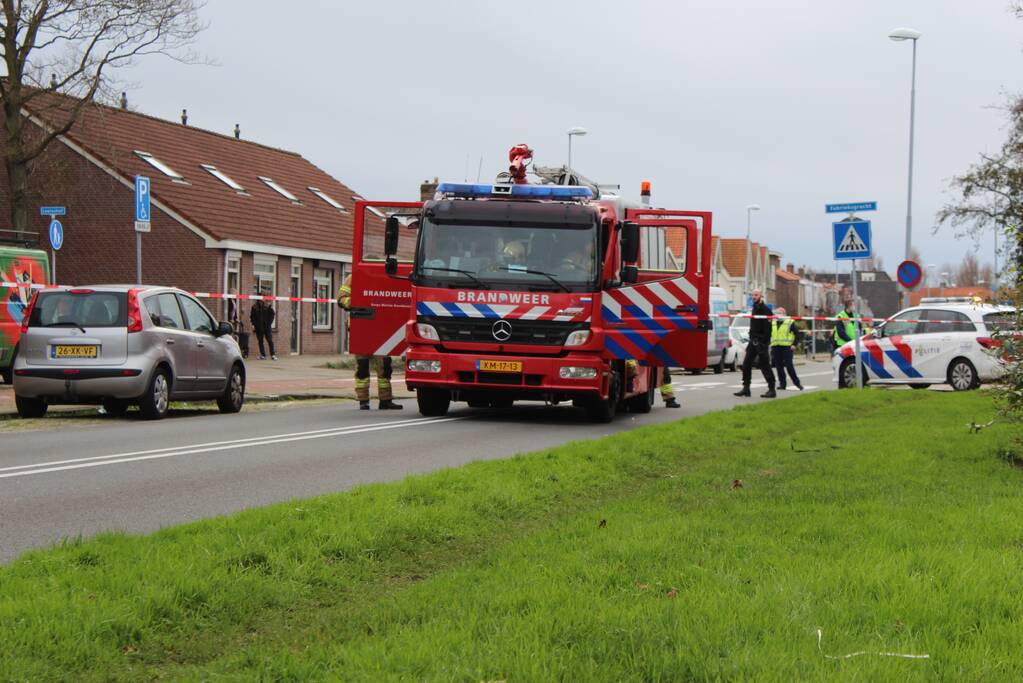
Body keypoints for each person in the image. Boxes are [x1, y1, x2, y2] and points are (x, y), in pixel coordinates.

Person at [337, 273, 403, 410]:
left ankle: (385, 400)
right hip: (360, 328)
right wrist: (357, 302)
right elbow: (341, 298)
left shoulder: (385, 277)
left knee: (385, 366)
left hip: (381, 329)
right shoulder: (353, 278)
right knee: (362, 366)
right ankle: (363, 401)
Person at [733, 289, 776, 398]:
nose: (754, 297)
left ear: (761, 296)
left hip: (761, 342)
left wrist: (764, 342)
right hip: (753, 341)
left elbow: (768, 329)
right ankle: (746, 388)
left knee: (765, 365)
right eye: (752, 295)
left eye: (756, 295)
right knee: (746, 364)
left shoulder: (765, 310)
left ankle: (772, 389)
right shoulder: (754, 308)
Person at [770, 307, 803, 391]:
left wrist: (794, 344)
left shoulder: (789, 322)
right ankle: (782, 384)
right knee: (779, 366)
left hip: (787, 347)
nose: (778, 314)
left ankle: (797, 383)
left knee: (789, 366)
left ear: (784, 314)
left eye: (780, 313)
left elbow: (797, 334)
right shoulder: (773, 322)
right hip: (776, 346)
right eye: (777, 313)